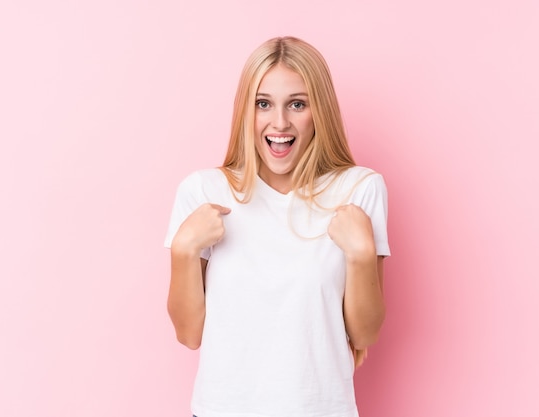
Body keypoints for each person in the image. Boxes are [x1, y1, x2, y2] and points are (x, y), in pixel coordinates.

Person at [164, 36, 390, 417]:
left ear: (320, 111)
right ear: (245, 112)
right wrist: (184, 251)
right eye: (263, 104)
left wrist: (362, 254)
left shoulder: (359, 189)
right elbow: (189, 335)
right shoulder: (203, 191)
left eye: (297, 104)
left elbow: (365, 334)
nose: (280, 122)